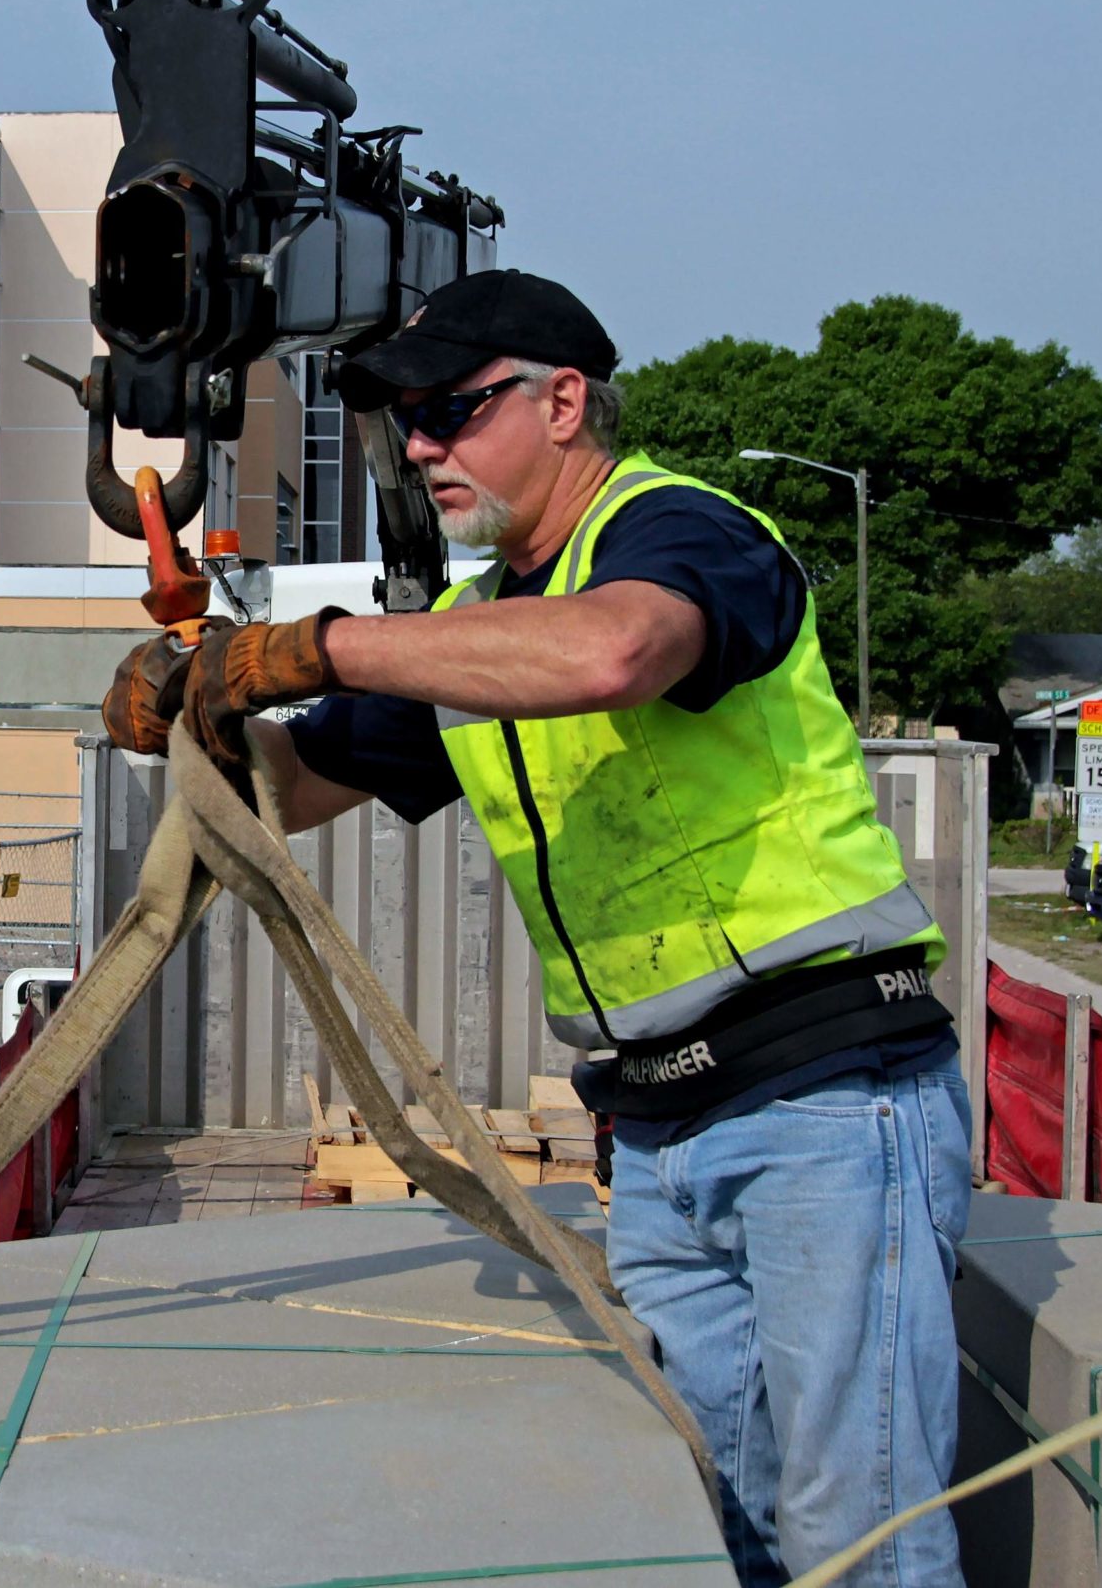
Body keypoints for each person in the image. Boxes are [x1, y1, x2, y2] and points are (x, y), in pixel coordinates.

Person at [101, 269, 971, 1586]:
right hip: (663, 1133)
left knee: (866, 1541)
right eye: (406, 425)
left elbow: (613, 653)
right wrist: (200, 721)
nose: (424, 448)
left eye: (454, 410)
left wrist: (320, 645)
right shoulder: (468, 634)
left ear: (565, 403)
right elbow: (301, 784)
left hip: (826, 1105)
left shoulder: (681, 532)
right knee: (727, 1519)